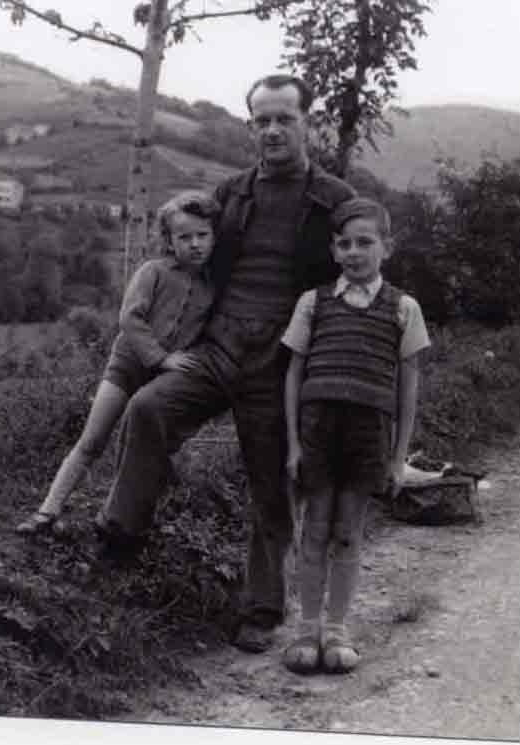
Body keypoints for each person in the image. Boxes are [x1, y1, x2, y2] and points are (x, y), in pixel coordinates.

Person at [96, 74, 356, 652]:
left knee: (270, 479)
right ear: (249, 126)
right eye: (261, 120)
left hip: (280, 360)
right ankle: (121, 540)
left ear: (306, 121)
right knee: (149, 407)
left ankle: (262, 608)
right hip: (216, 349)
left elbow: (354, 283)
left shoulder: (335, 201)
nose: (272, 130)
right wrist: (158, 332)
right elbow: (185, 256)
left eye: (283, 118)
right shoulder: (231, 195)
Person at [280, 197, 430, 674]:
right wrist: (294, 444)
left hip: (368, 435)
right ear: (332, 249)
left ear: (387, 246)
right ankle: (306, 632)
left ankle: (338, 630)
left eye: (365, 242)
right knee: (314, 530)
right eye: (343, 243)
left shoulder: (403, 307)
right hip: (318, 431)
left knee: (348, 533)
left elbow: (408, 386)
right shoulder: (314, 302)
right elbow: (293, 375)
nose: (353, 252)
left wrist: (398, 457)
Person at [16, 190, 219, 535]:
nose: (195, 244)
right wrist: (161, 358)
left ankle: (114, 514)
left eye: (203, 235)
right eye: (184, 237)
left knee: (142, 446)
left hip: (164, 379)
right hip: (128, 365)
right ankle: (47, 512)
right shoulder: (153, 271)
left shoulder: (213, 286)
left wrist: (183, 362)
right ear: (169, 241)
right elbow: (130, 318)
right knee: (93, 439)